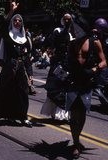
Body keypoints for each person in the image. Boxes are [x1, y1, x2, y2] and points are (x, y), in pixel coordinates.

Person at [65, 19, 106, 158]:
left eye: (75, 28)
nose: (73, 31)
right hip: (73, 81)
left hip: (87, 81)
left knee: (81, 113)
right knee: (72, 113)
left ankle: (76, 141)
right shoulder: (72, 43)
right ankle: (76, 143)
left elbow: (104, 61)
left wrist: (95, 69)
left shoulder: (94, 42)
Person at [0, 1, 32, 127]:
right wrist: (12, 10)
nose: (17, 22)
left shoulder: (25, 39)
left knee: (23, 92)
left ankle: (23, 117)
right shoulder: (8, 36)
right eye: (15, 20)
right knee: (8, 91)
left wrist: (30, 73)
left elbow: (27, 57)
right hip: (9, 67)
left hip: (21, 68)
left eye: (19, 21)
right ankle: (10, 115)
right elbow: (3, 24)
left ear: (22, 23)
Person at [40, 13, 74, 120]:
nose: (67, 21)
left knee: (66, 89)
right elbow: (52, 43)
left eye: (69, 19)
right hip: (58, 64)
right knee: (56, 88)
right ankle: (55, 114)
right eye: (65, 19)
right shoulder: (58, 30)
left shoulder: (73, 33)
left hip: (68, 64)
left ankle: (64, 115)